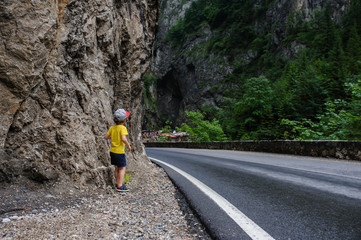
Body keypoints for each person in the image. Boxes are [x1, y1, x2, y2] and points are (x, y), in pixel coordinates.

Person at [105, 108, 131, 192]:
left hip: (112, 151)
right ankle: (120, 186)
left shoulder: (112, 128)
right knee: (122, 168)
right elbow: (123, 138)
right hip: (119, 152)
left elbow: (106, 137)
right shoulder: (122, 128)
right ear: (124, 120)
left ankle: (117, 183)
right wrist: (128, 145)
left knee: (116, 168)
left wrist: (113, 137)